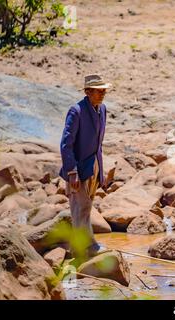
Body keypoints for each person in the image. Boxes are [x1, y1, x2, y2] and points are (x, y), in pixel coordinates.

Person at [59, 74, 111, 258]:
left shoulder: (102, 109)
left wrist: (101, 173)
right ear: (88, 92)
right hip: (78, 169)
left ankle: (87, 245)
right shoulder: (77, 111)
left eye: (104, 90)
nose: (103, 93)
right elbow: (66, 144)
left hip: (93, 167)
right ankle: (80, 250)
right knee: (79, 208)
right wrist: (72, 171)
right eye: (99, 90)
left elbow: (98, 143)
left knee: (87, 207)